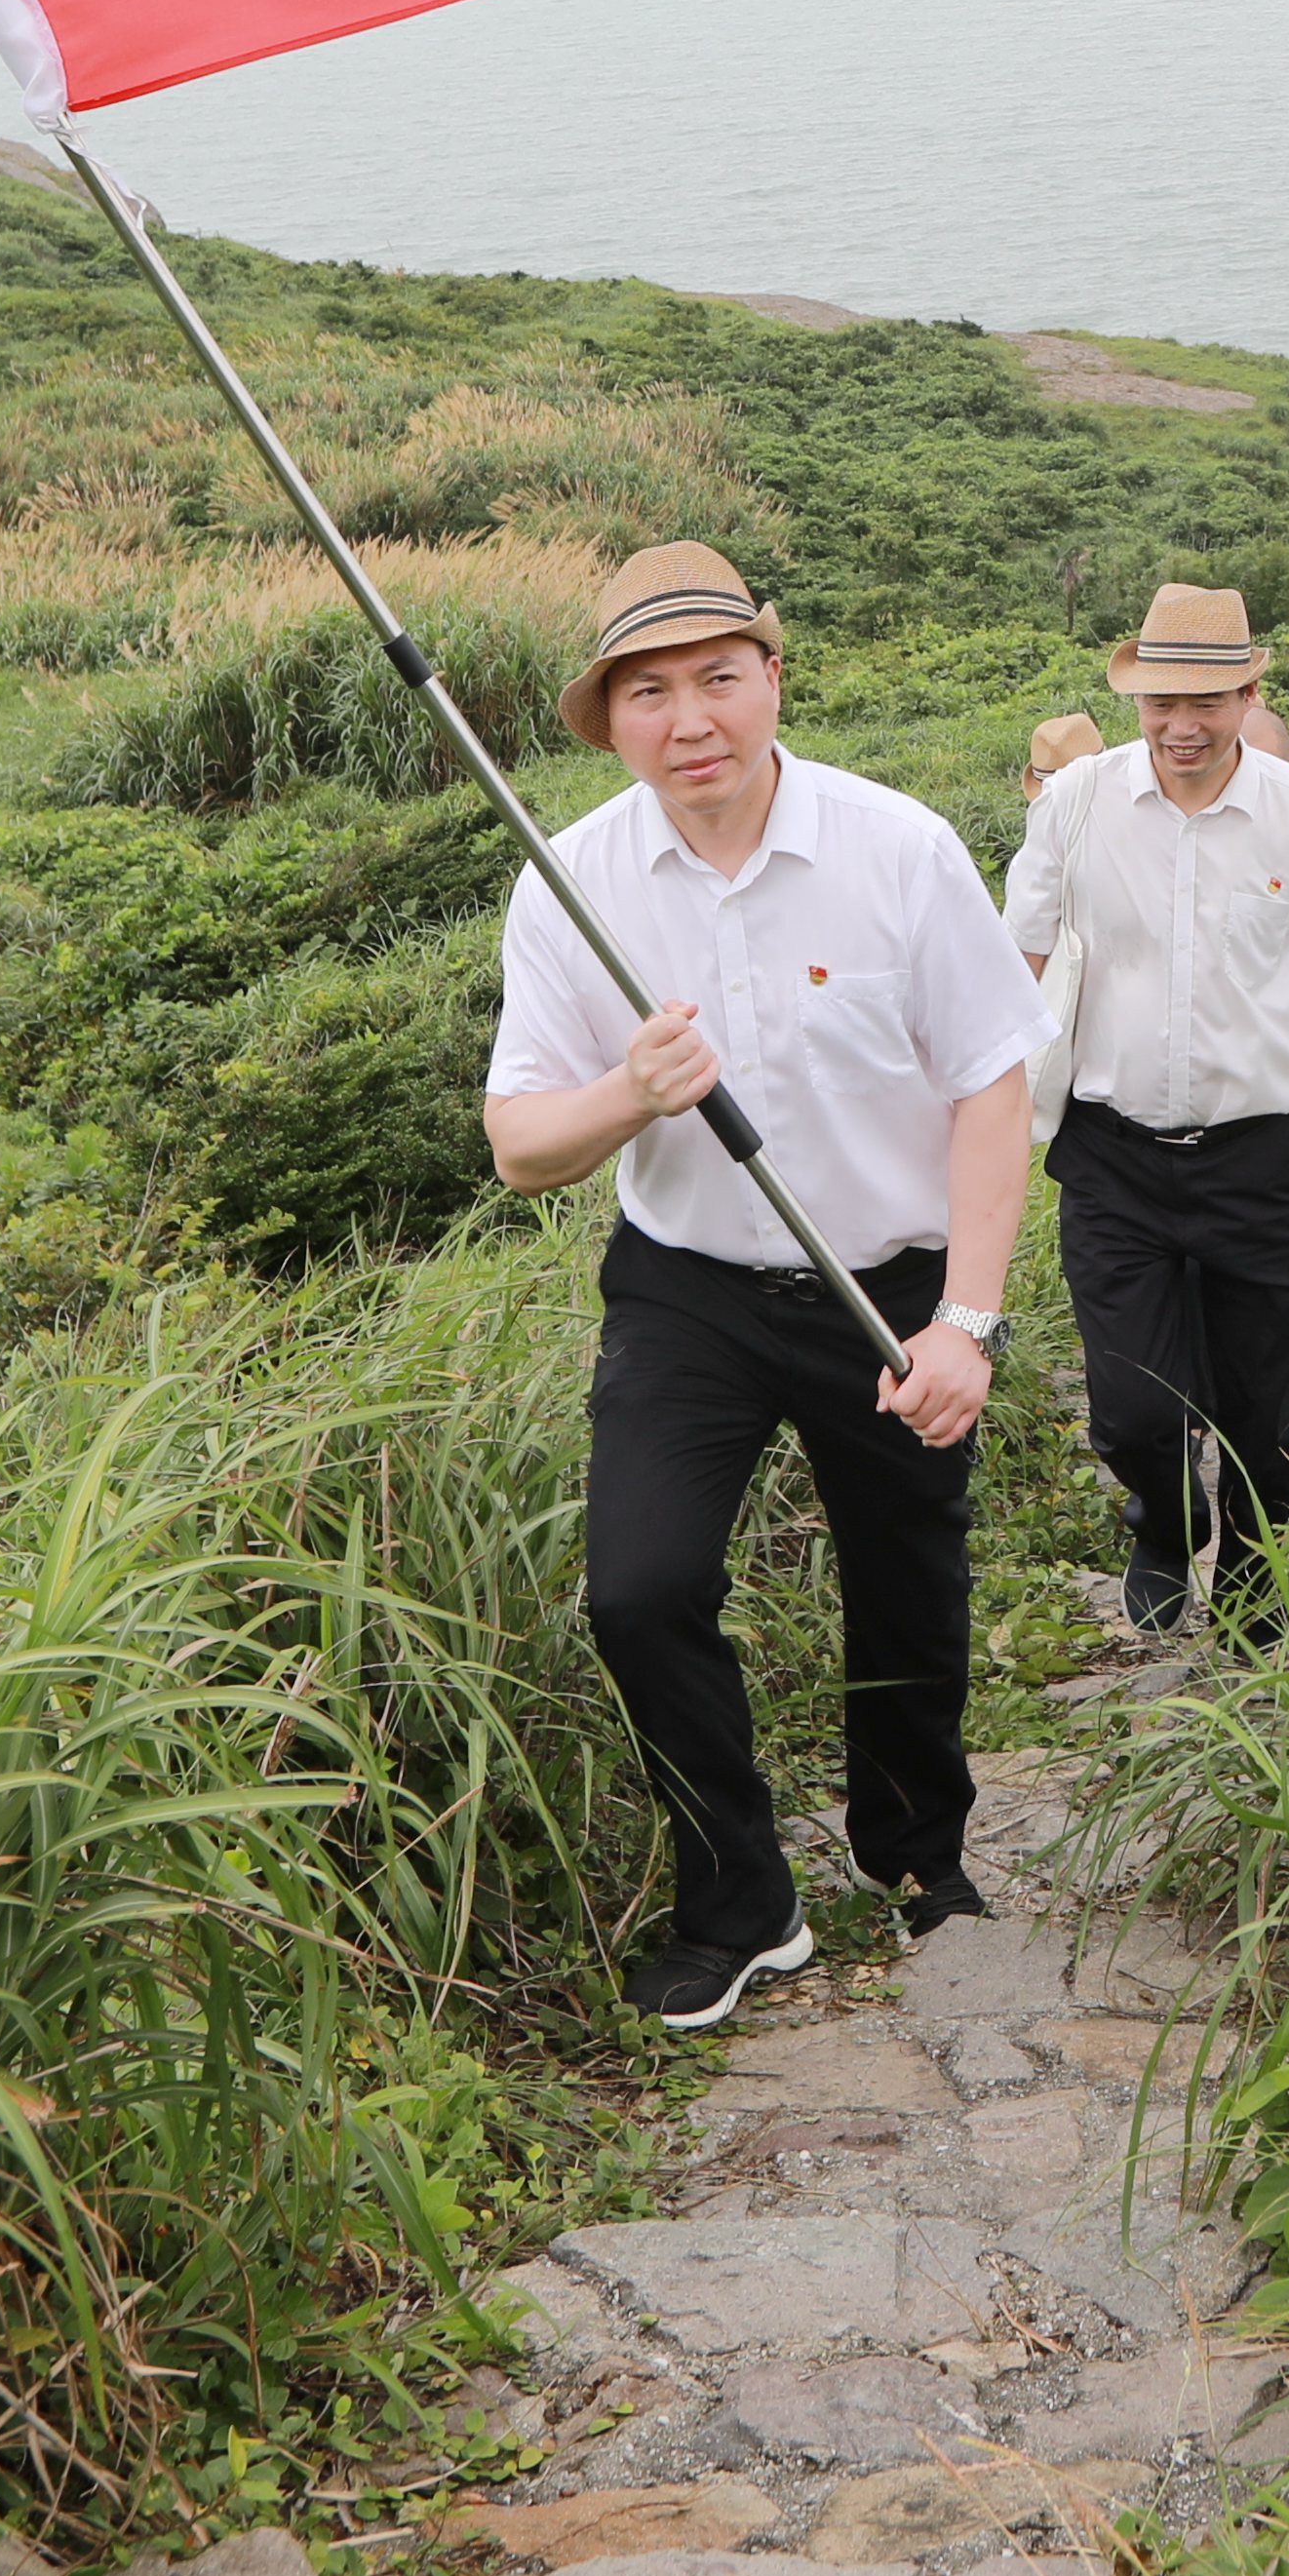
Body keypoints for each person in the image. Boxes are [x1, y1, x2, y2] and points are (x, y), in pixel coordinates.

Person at [482, 547, 1048, 2028]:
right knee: (639, 1587)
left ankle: (911, 1846)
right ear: (609, 718)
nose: (691, 721)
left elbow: (992, 1085)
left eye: (719, 677)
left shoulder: (896, 848)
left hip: (890, 1280)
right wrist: (628, 1091)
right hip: (688, 1288)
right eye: (649, 693)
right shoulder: (569, 882)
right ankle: (740, 1902)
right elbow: (520, 1144)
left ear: (773, 678)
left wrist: (965, 1322)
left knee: (906, 1578)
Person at [1004, 584, 1289, 1643]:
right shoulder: (1078, 803)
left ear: (1249, 696)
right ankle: (1164, 1521)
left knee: (1256, 1398)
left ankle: (1250, 1561)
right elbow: (1015, 964)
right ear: (1135, 699)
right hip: (1112, 1155)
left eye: (1206, 701)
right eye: (1161, 702)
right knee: (1131, 1407)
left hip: (1261, 1156)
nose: (1182, 725)